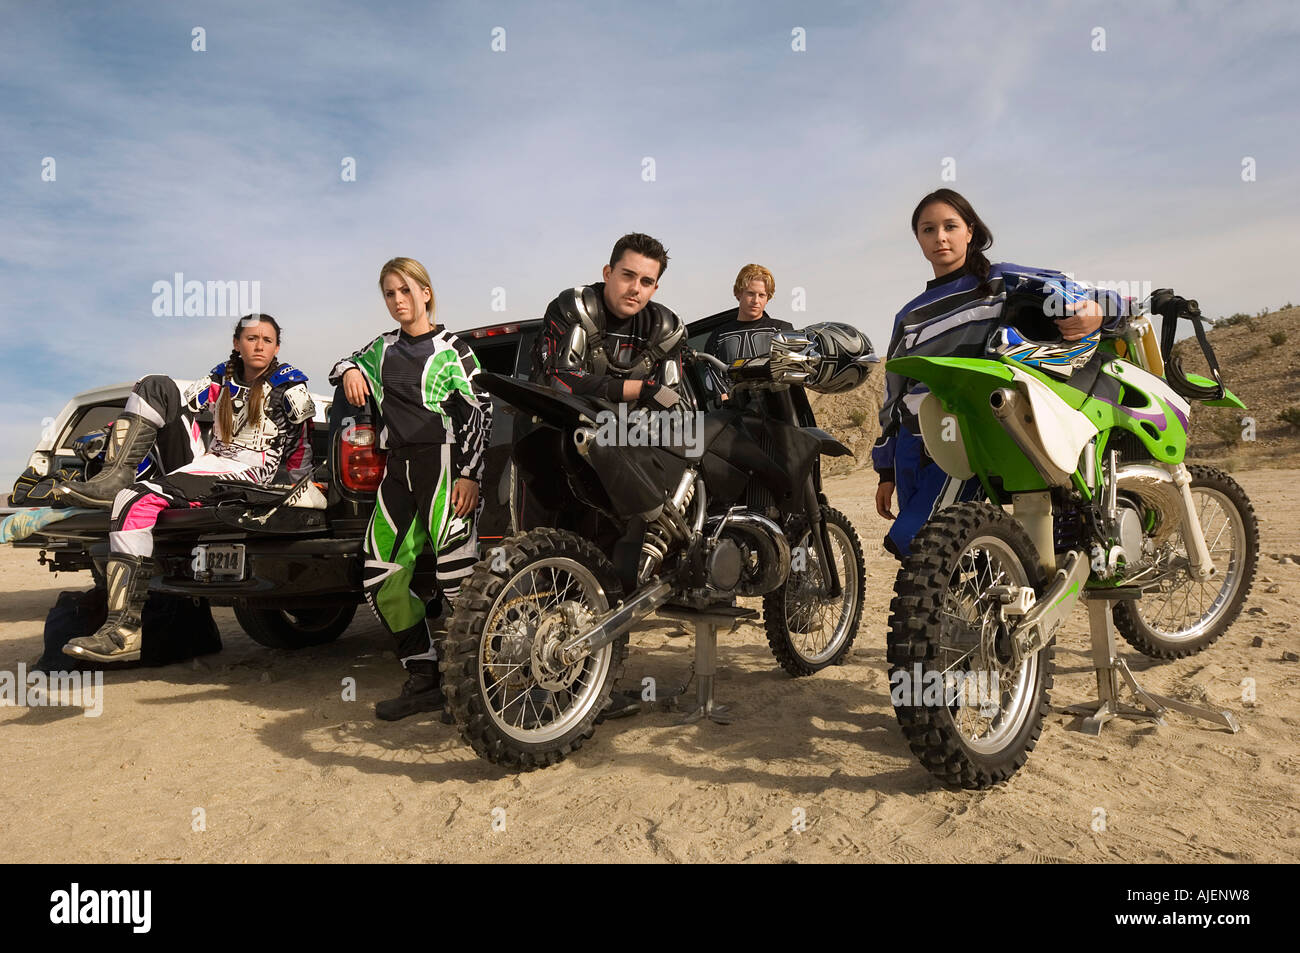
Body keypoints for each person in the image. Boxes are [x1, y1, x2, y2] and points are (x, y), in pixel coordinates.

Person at [872, 188, 1129, 558]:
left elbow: (1081, 293)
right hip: (914, 447)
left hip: (972, 432)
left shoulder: (1001, 281)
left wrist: (1099, 312)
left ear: (970, 231)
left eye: (950, 226)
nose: (940, 237)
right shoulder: (909, 316)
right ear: (918, 239)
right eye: (928, 230)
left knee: (922, 542)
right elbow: (892, 396)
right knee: (923, 552)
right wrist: (886, 471)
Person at [55, 314, 315, 661]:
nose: (259, 345)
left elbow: (301, 447)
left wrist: (299, 489)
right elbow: (179, 408)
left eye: (267, 340)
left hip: (255, 475)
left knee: (132, 501)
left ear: (277, 347)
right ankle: (115, 474)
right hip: (213, 461)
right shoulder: (220, 377)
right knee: (154, 384)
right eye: (251, 338)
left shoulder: (289, 385)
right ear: (237, 343)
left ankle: (123, 631)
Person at [330, 257, 493, 722]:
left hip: (445, 466)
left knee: (458, 580)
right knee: (379, 577)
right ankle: (425, 676)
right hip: (397, 469)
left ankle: (484, 684)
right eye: (389, 293)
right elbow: (341, 362)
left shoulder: (453, 348)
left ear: (425, 292)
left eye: (406, 290)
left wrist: (471, 475)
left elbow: (479, 414)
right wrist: (349, 372)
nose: (398, 301)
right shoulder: (380, 349)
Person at [532, 232, 689, 410]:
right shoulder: (573, 309)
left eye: (646, 282)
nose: (635, 288)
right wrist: (640, 389)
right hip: (554, 427)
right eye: (628, 275)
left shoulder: (666, 330)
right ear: (608, 273)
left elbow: (672, 399)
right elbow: (559, 381)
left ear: (654, 288)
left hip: (627, 434)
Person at [701, 264, 793, 404]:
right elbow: (713, 376)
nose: (756, 301)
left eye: (762, 295)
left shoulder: (782, 330)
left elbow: (793, 374)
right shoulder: (718, 336)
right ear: (738, 293)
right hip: (736, 418)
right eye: (750, 293)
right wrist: (725, 399)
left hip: (782, 412)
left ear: (768, 298)